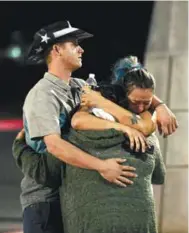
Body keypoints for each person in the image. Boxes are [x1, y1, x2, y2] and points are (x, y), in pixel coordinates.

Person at [13, 56, 167, 233]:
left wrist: (19, 146)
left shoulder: (76, 136)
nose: (140, 108)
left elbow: (47, 169)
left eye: (146, 103)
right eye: (73, 44)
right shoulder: (147, 137)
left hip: (53, 205)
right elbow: (159, 175)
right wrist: (156, 108)